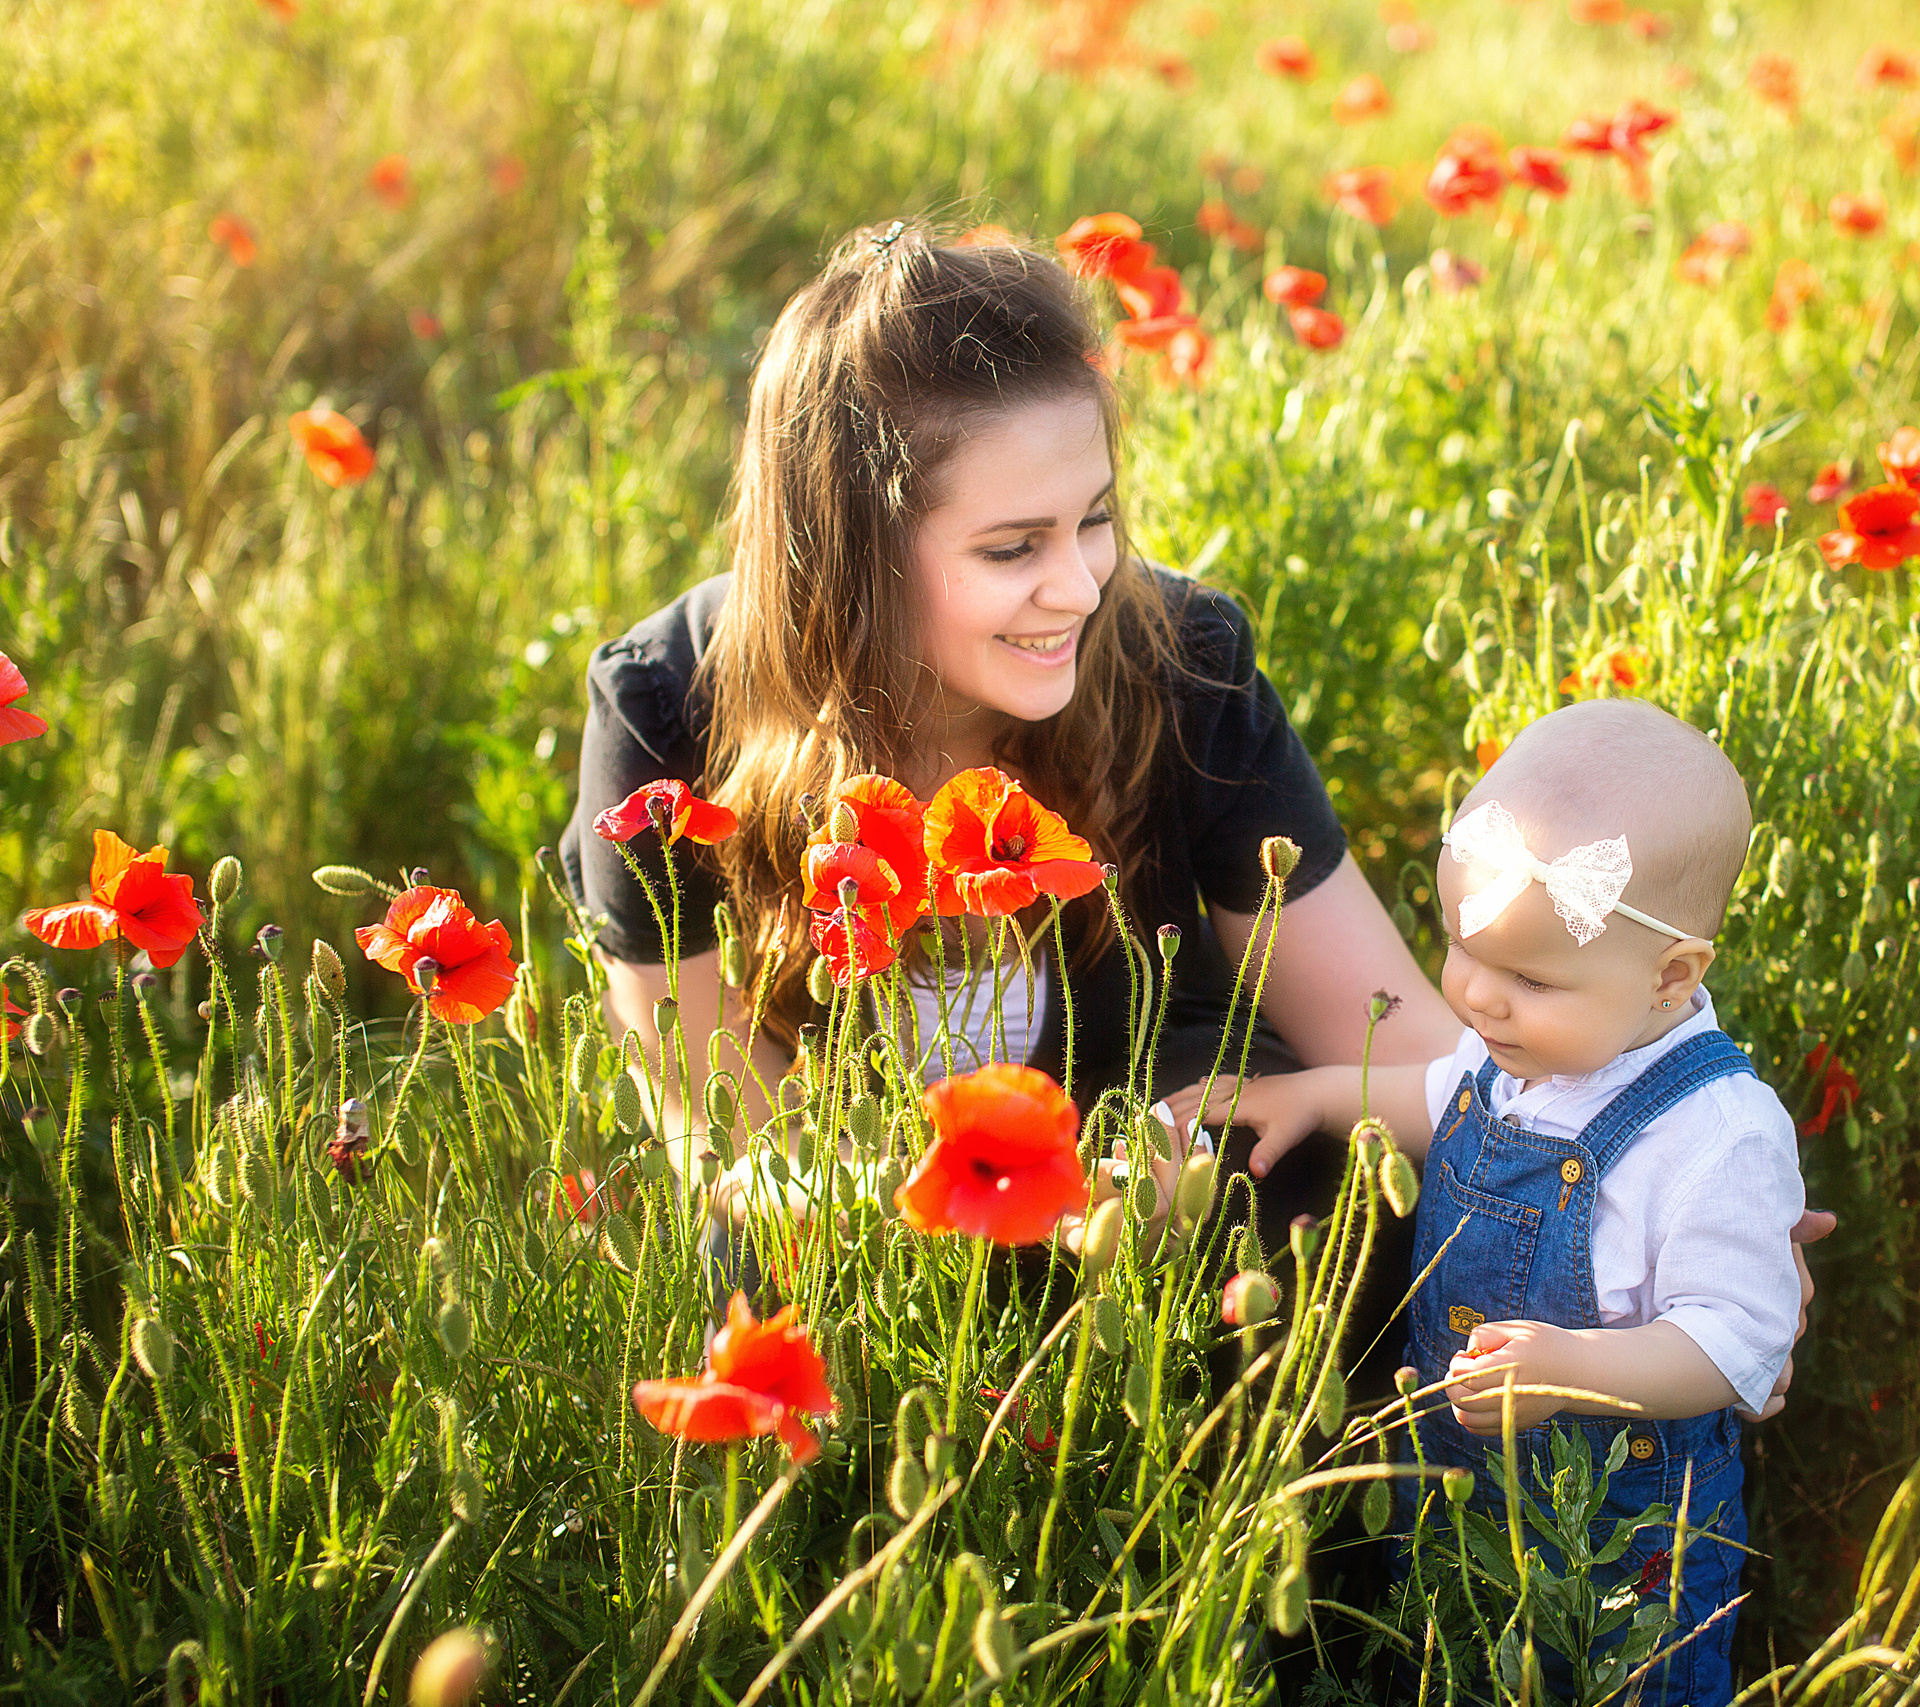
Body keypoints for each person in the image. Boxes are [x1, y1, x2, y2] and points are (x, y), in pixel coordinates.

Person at [556, 221, 1827, 1411]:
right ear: (848, 550)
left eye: (1094, 520)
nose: (1079, 584)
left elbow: (1413, 1053)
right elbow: (727, 1137)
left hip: (1162, 1193)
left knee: (1320, 1181)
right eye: (1012, 549)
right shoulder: (669, 713)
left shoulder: (1179, 660)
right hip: (861, 1227)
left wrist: (1660, 1205)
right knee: (740, 1252)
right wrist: (1014, 1204)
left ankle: (1309, 1566)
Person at [1170, 699, 1798, 1705]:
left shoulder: (1715, 1136)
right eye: (1459, 948)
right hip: (1461, 1499)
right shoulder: (1515, 1057)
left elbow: (1738, 1342)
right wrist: (1314, 1095)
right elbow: (1435, 1102)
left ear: (1670, 978)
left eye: (1529, 979)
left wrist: (1577, 1368)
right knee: (1453, 1663)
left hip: (1622, 1558)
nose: (1474, 996)